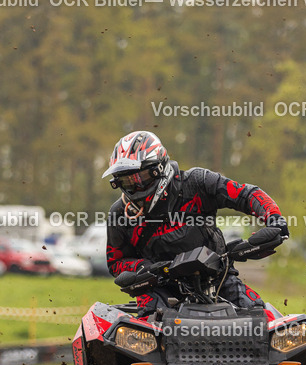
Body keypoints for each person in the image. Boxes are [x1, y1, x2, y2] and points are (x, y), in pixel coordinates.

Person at [103, 130, 288, 314]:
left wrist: (274, 219)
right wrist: (146, 268)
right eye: (127, 182)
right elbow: (116, 262)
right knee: (143, 331)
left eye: (139, 178)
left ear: (159, 168)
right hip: (158, 289)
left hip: (219, 279)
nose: (134, 187)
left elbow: (246, 195)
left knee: (260, 317)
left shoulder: (198, 183)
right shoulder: (120, 213)